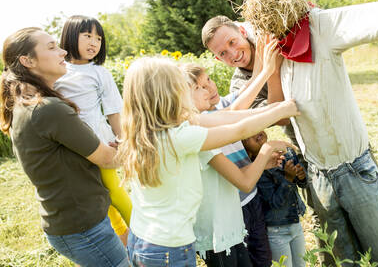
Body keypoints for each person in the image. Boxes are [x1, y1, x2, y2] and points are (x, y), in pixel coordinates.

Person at [202, 0, 378, 266]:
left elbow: (358, 21)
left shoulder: (284, 34)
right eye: (222, 53)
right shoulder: (242, 83)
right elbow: (273, 113)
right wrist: (268, 70)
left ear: (243, 30)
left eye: (231, 42)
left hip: (344, 142)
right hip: (308, 154)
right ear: (217, 59)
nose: (232, 53)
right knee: (331, 229)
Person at [116, 57, 299, 267]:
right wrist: (283, 111)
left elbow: (230, 117)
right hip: (169, 248)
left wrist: (274, 108)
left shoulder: (147, 132)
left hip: (143, 238)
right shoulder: (177, 137)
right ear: (167, 94)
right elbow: (238, 130)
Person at [0, 28, 129, 267]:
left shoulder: (27, 105)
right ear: (27, 61)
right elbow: (107, 159)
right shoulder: (47, 109)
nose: (63, 51)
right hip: (84, 229)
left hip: (70, 224)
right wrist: (136, 145)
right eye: (51, 47)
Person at [182, 41, 280, 267]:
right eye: (201, 87)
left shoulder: (220, 106)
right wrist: (266, 71)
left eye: (209, 81)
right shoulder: (200, 128)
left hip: (251, 197)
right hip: (229, 210)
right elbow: (237, 111)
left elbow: (246, 91)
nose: (210, 88)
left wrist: (263, 61)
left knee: (261, 257)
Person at [53, 15, 131, 245]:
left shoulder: (99, 72)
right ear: (69, 36)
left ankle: (142, 234)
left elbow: (114, 111)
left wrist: (123, 140)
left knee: (114, 191)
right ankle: (122, 237)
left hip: (99, 141)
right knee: (96, 195)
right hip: (71, 145)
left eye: (98, 38)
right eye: (87, 35)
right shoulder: (57, 70)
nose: (93, 42)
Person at [243, 131, 307, 267]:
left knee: (301, 263)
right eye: (248, 136)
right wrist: (288, 179)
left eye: (258, 127)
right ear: (246, 149)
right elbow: (275, 202)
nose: (256, 133)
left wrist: (301, 176)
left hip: (295, 223)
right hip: (277, 231)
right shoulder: (256, 170)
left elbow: (303, 183)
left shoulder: (286, 152)